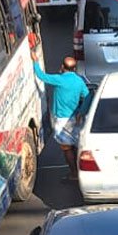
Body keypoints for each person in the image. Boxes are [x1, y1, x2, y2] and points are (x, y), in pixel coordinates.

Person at [31, 52, 90, 180]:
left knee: (66, 148)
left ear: (63, 67)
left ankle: (74, 174)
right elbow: (87, 96)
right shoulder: (79, 81)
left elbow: (41, 75)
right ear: (74, 69)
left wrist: (35, 61)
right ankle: (82, 172)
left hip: (62, 120)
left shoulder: (59, 79)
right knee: (76, 145)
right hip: (76, 118)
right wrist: (81, 112)